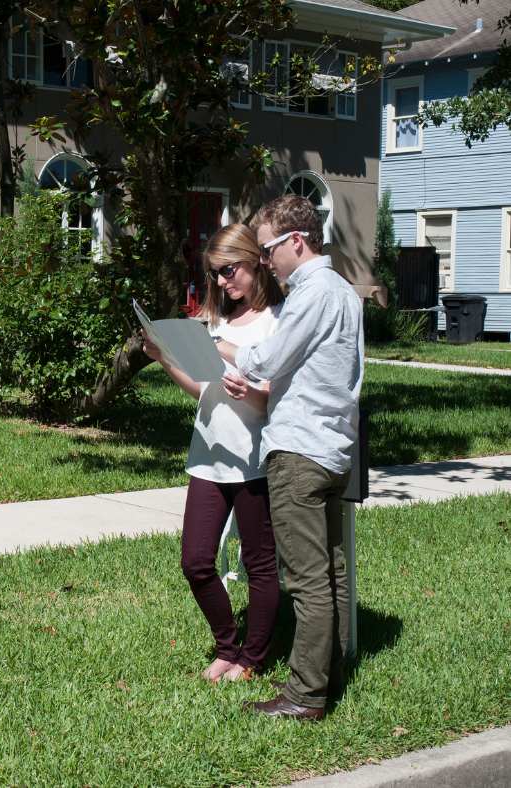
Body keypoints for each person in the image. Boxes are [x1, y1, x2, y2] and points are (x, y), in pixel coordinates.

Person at [215, 195, 364, 721]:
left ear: (295, 242)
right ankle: (334, 668)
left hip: (300, 448)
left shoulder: (313, 291)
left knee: (306, 577)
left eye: (268, 249)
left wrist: (222, 346)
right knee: (332, 570)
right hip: (332, 446)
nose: (265, 261)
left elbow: (270, 358)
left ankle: (305, 696)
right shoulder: (343, 291)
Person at [143, 223, 284, 683]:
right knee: (196, 560)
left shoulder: (277, 322)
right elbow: (204, 389)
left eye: (229, 271)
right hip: (208, 455)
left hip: (253, 458)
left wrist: (250, 392)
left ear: (256, 261)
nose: (222, 282)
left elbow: (275, 400)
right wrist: (165, 359)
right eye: (215, 274)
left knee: (259, 564)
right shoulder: (218, 323)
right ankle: (228, 645)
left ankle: (253, 657)